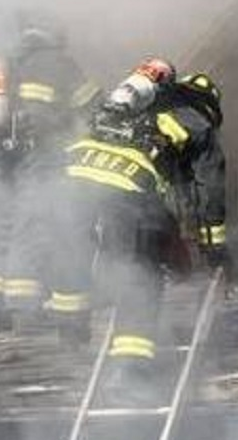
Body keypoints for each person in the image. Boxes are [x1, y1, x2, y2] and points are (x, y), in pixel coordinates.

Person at [50, 58, 227, 398]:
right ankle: (130, 370)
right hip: (128, 185)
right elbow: (210, 187)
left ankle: (70, 326)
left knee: (74, 249)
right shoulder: (198, 121)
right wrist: (214, 245)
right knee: (139, 273)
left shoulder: (138, 108)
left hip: (74, 173)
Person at [0, 11, 100, 337]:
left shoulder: (4, 64)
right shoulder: (59, 63)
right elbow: (94, 108)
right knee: (33, 229)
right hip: (39, 158)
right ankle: (25, 308)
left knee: (1, 232)